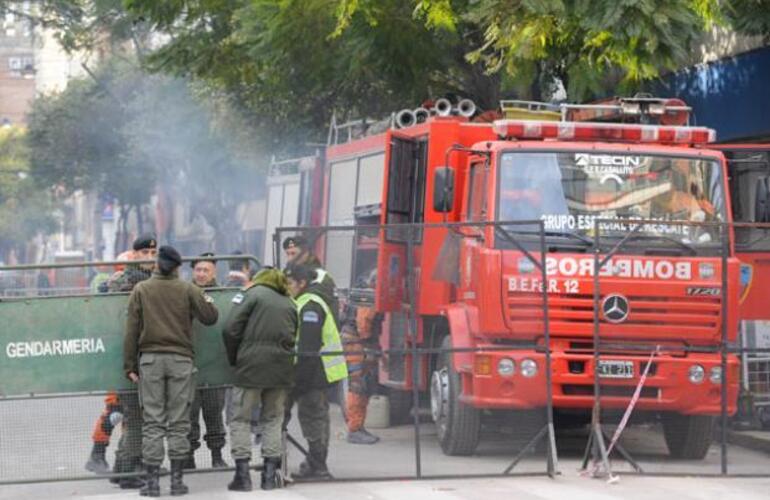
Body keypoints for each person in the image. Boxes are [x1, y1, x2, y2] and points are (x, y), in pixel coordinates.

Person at [123, 245, 219, 497]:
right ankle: (177, 481)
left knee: (152, 422)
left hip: (150, 362)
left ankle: (152, 483)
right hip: (180, 361)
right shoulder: (188, 289)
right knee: (179, 421)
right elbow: (210, 317)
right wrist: (203, 295)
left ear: (156, 265)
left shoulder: (141, 290)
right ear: (177, 267)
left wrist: (129, 365)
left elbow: (131, 330)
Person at [86, 236, 157, 487]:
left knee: (135, 414)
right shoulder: (120, 282)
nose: (150, 256)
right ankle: (115, 461)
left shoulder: (155, 278)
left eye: (153, 251)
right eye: (145, 252)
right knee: (121, 411)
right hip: (123, 356)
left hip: (143, 355)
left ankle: (131, 463)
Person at [222, 267, 298, 491]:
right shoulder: (289, 302)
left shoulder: (252, 295)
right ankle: (268, 476)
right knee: (273, 419)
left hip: (250, 368)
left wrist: (236, 356)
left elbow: (229, 329)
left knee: (241, 419)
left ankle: (243, 476)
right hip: (281, 369)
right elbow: (294, 335)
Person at [284, 263, 348, 480]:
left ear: (302, 283)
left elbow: (308, 349)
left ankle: (318, 466)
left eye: (289, 283)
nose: (286, 287)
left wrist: (299, 381)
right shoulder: (304, 301)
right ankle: (315, 463)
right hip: (315, 370)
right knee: (317, 417)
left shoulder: (310, 306)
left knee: (313, 418)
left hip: (314, 372)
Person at [184, 252, 228, 469]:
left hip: (215, 364)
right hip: (190, 365)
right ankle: (188, 457)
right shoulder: (184, 294)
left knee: (214, 412)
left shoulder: (223, 294)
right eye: (198, 270)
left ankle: (217, 455)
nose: (201, 274)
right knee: (189, 415)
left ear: (214, 273)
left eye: (205, 270)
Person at [343, 272, 381, 445]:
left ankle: (358, 426)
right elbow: (363, 323)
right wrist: (368, 348)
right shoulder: (369, 295)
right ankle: (354, 429)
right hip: (356, 343)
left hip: (353, 342)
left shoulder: (362, 293)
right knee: (358, 385)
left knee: (361, 385)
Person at [282, 236, 339, 326]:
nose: (289, 259)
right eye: (287, 254)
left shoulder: (319, 277)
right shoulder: (294, 275)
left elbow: (309, 306)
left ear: (306, 254)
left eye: (293, 254)